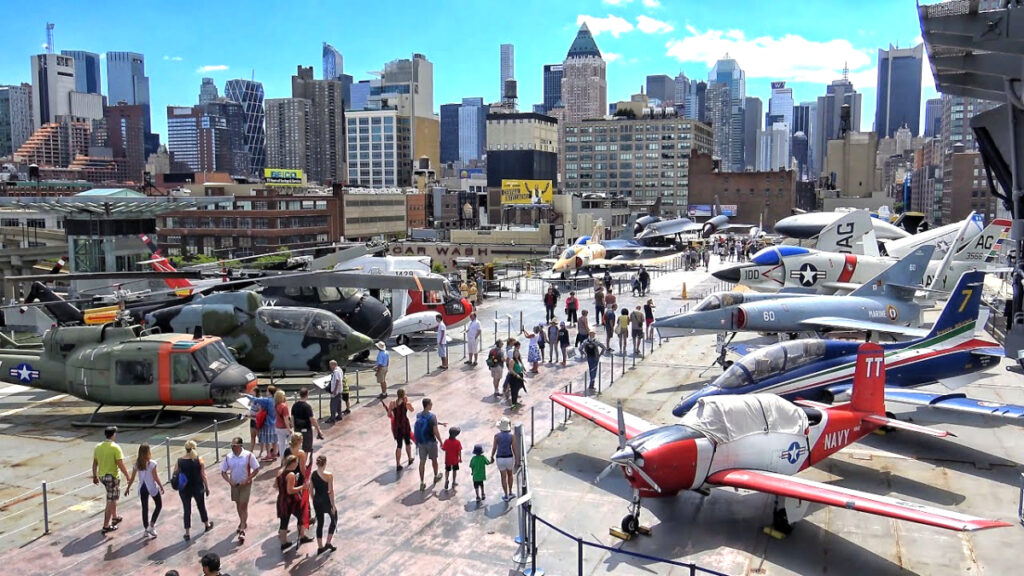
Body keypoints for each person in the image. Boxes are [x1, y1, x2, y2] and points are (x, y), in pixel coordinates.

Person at [219, 436, 259, 544]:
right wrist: (229, 481)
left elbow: (256, 469)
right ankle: (242, 522)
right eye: (232, 445)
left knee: (243, 504)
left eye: (235, 445)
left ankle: (242, 529)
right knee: (238, 505)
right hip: (234, 485)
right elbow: (223, 471)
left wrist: (247, 479)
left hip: (245, 484)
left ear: (240, 445)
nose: (232, 447)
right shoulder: (229, 457)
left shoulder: (248, 455)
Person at [92, 425, 130, 534]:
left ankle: (115, 517)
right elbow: (120, 464)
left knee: (112, 497)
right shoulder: (115, 447)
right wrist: (127, 476)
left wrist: (94, 476)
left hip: (102, 476)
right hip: (112, 477)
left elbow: (95, 463)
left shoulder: (98, 446)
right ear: (113, 435)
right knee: (110, 500)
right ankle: (106, 525)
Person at [173, 439, 212, 541]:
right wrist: (207, 487)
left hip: (185, 489)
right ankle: (206, 524)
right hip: (198, 487)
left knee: (187, 509)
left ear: (185, 449)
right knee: (201, 506)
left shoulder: (179, 461)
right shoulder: (200, 459)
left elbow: (175, 474)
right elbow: (203, 475)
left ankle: (187, 533)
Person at [124, 443, 163, 538]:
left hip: (142, 488)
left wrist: (128, 488)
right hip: (151, 487)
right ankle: (151, 526)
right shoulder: (152, 464)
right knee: (159, 505)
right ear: (148, 452)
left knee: (144, 508)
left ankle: (146, 529)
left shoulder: (136, 464)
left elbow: (132, 478)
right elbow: (155, 477)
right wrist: (161, 486)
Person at [276, 455, 312, 551]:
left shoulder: (280, 472)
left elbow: (276, 485)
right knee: (301, 515)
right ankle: (302, 536)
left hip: (281, 499)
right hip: (291, 500)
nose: (297, 465)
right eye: (296, 463)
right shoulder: (291, 475)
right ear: (292, 463)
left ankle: (284, 543)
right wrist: (302, 487)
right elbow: (290, 490)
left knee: (284, 521)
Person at [415, 398, 447, 491]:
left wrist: (440, 423)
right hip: (431, 442)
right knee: (434, 460)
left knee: (422, 462)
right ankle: (436, 476)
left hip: (421, 443)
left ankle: (421, 482)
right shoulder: (432, 416)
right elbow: (435, 431)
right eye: (431, 403)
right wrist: (441, 442)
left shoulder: (418, 415)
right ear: (428, 405)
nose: (432, 405)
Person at [311, 454, 338, 555]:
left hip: (317, 500)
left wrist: (314, 500)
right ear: (325, 463)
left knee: (320, 523)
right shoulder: (329, 475)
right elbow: (330, 491)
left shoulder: (313, 474)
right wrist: (333, 505)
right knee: (334, 518)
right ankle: (328, 542)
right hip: (326, 500)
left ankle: (320, 547)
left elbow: (311, 491)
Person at [490, 417, 519, 502]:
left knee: (503, 477)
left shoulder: (496, 436)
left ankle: (506, 495)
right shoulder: (512, 436)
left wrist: (491, 456)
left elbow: (494, 448)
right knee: (510, 475)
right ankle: (510, 492)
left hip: (500, 458)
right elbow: (514, 448)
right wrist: (516, 459)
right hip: (509, 457)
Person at [386, 388, 415, 471]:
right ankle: (409, 459)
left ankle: (398, 464)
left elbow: (389, 415)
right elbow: (412, 410)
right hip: (405, 425)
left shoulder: (392, 404)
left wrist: (392, 412)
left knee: (399, 445)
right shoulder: (406, 403)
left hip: (397, 426)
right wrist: (408, 402)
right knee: (407, 442)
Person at [291, 388, 323, 456]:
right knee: (306, 449)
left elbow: (292, 418)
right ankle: (303, 464)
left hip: (297, 429)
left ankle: (298, 464)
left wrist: (294, 429)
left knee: (297, 447)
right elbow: (312, 419)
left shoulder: (294, 405)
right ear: (307, 395)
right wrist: (318, 430)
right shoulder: (307, 407)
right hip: (306, 430)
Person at [441, 426, 463, 491]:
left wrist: (441, 446)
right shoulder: (458, 442)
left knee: (447, 470)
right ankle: (453, 482)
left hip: (448, 459)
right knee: (454, 470)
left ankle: (446, 480)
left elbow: (444, 449)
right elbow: (459, 451)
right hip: (455, 460)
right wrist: (460, 458)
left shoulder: (446, 441)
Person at [273, 390, 293, 460]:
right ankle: (289, 458)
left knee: (281, 445)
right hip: (284, 427)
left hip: (278, 427)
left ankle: (282, 459)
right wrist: (289, 429)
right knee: (290, 443)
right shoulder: (284, 407)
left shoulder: (276, 405)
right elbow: (286, 419)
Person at [507, 345, 527, 409]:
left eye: (517, 353)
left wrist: (523, 370)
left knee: (517, 389)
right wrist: (516, 374)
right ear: (513, 354)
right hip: (514, 377)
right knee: (514, 391)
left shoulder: (518, 360)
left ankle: (515, 402)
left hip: (519, 376)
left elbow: (520, 366)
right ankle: (513, 404)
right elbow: (510, 369)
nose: (517, 354)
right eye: (515, 353)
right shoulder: (512, 360)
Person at [326, 359, 345, 423]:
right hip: (340, 390)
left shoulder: (336, 371)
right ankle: (339, 415)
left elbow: (337, 380)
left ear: (334, 365)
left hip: (336, 391)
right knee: (338, 404)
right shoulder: (339, 369)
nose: (330, 367)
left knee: (333, 404)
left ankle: (332, 418)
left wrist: (334, 390)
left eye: (331, 365)